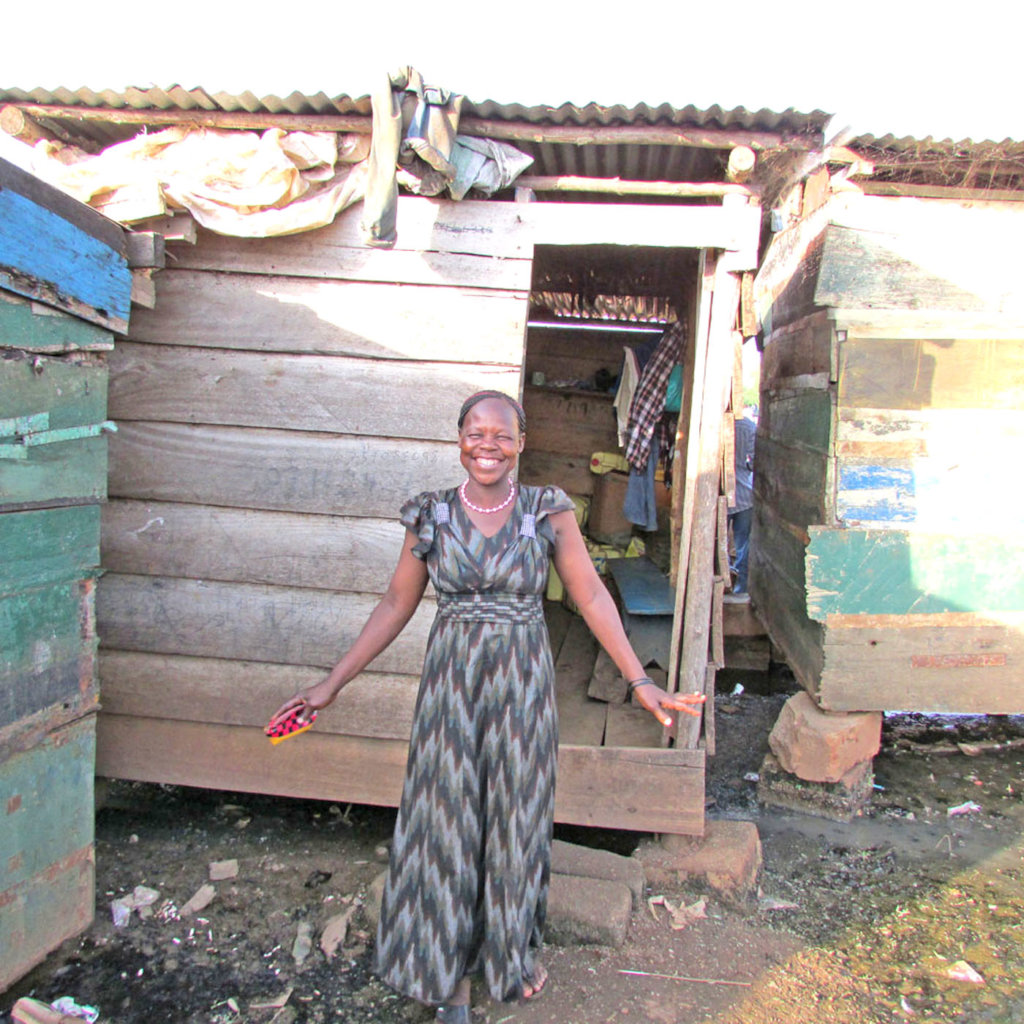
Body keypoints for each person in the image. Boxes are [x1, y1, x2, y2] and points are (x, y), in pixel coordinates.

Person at [268, 391, 705, 1023]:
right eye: (475, 433)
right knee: (444, 819)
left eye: (501, 434)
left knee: (516, 818)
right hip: (450, 687)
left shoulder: (546, 511)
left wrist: (639, 681)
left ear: (521, 442)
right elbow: (395, 603)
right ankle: (444, 980)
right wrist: (332, 683)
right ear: (459, 439)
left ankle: (508, 956)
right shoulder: (433, 516)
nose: (488, 445)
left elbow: (589, 597)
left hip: (523, 684)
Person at [728, 408, 757, 595]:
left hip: (721, 495)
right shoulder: (749, 427)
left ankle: (721, 584)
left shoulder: (717, 426)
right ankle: (740, 590)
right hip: (745, 495)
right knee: (743, 547)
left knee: (716, 546)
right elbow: (754, 463)